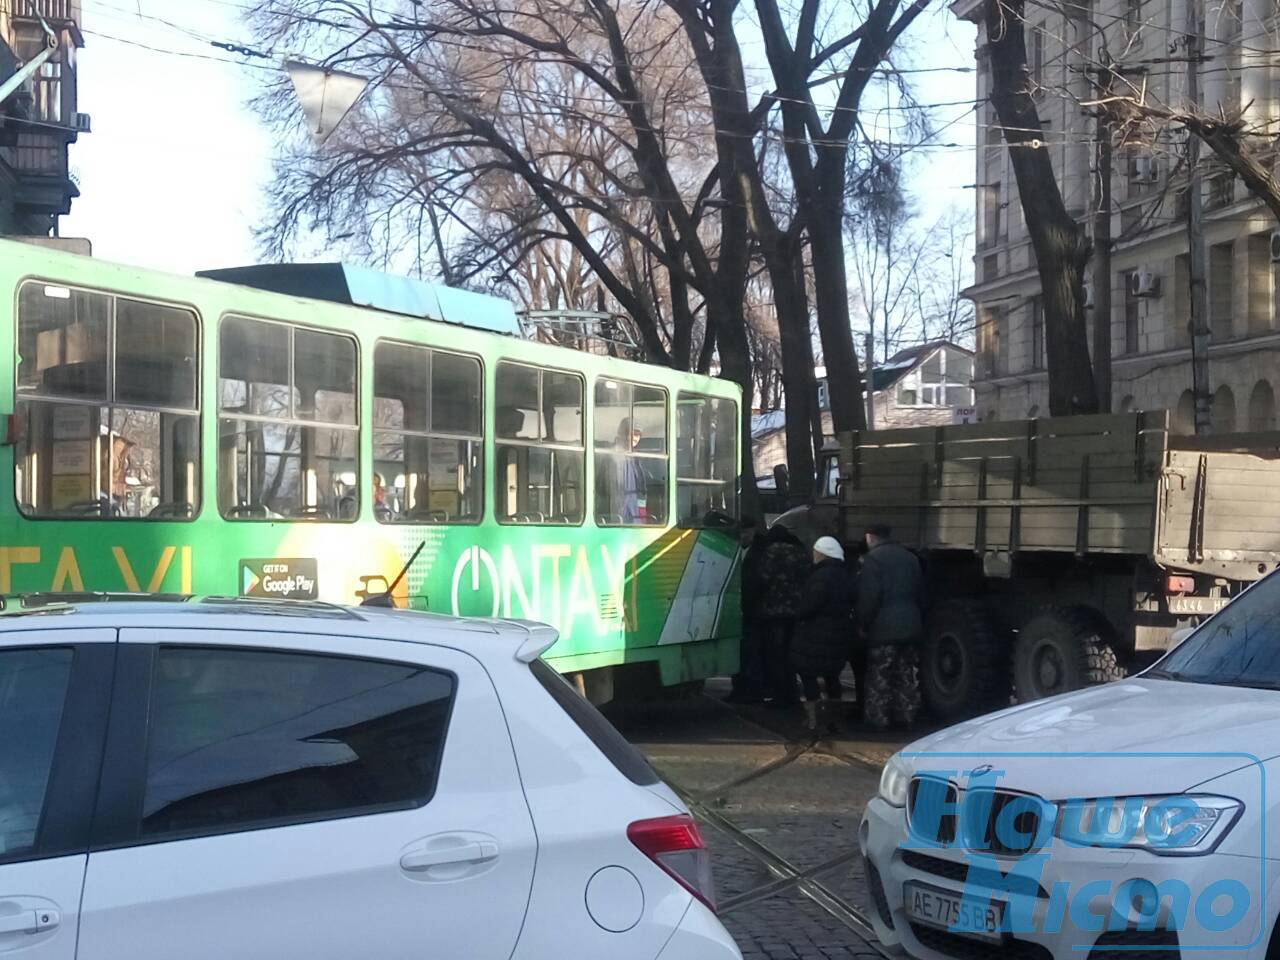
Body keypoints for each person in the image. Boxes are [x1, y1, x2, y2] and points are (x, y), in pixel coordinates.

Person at [857, 523, 924, 731]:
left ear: (869, 537)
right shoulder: (910, 558)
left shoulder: (873, 560)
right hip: (910, 624)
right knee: (905, 673)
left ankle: (877, 720)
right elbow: (919, 590)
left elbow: (870, 596)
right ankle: (907, 716)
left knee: (880, 674)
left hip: (883, 627)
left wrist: (862, 623)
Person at [792, 536, 855, 732]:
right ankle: (834, 718)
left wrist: (797, 613)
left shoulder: (820, 577)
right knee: (832, 676)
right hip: (838, 636)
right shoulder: (845, 575)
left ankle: (814, 719)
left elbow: (810, 606)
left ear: (821, 553)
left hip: (815, 636)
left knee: (808, 674)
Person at [756, 521, 810, 707]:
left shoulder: (772, 551)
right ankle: (793, 691)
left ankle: (780, 694)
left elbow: (762, 577)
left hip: (774, 611)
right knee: (792, 654)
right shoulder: (800, 552)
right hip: (797, 611)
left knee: (776, 655)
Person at [728, 516, 768, 704]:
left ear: (753, 531)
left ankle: (753, 691)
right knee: (739, 652)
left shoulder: (761, 552)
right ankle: (739, 689)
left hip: (754, 611)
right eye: (741, 532)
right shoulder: (733, 548)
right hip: (739, 609)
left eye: (746, 531)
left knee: (753, 653)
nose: (743, 535)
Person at [614, 418, 648, 523]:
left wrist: (642, 515)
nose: (635, 438)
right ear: (622, 434)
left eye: (637, 435)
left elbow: (641, 488)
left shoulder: (636, 458)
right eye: (632, 434)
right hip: (618, 517)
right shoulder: (613, 456)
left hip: (634, 516)